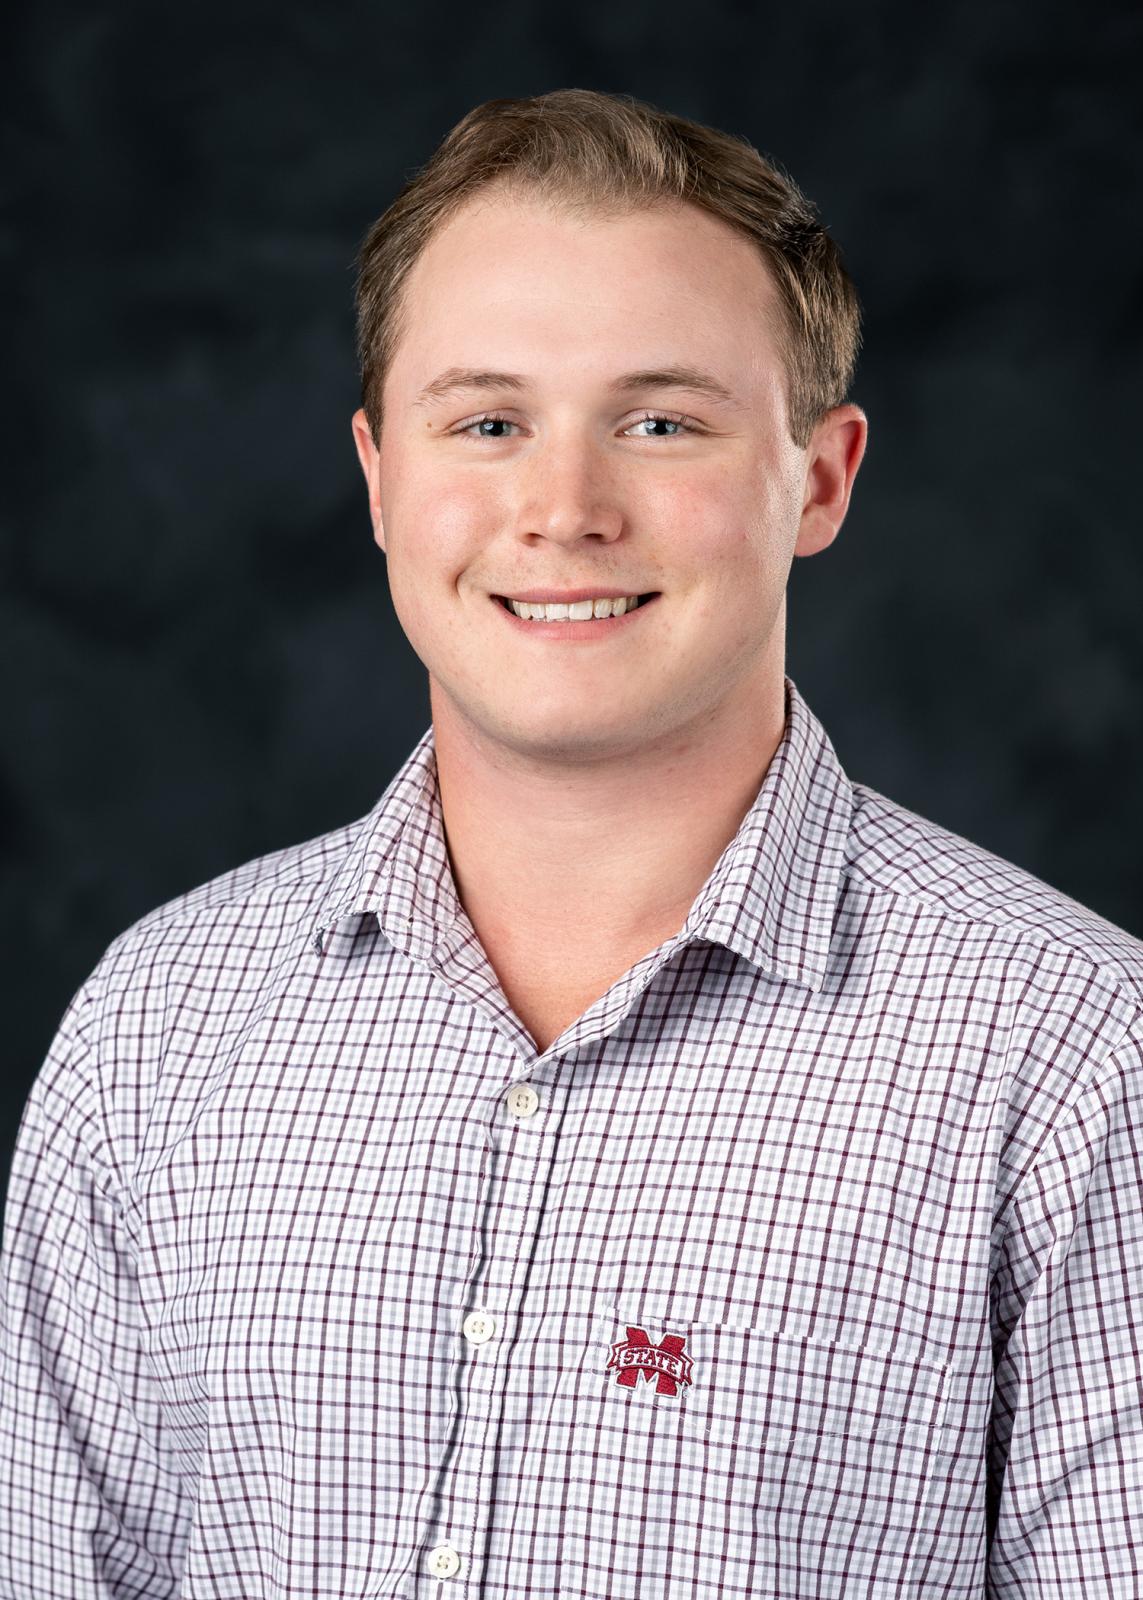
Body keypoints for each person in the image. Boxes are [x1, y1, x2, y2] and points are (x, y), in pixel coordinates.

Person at [2, 87, 1140, 1600]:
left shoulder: (1073, 1057)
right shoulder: (155, 1026)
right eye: (486, 422)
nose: (562, 508)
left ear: (821, 479)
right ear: (379, 477)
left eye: (660, 421)